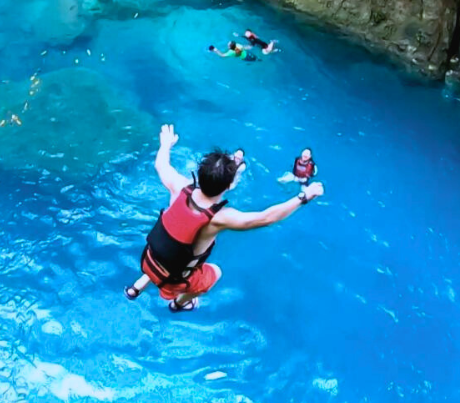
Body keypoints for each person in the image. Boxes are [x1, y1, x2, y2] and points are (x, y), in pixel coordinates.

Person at [126, 125, 324, 312]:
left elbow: (161, 164)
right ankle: (180, 305)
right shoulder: (218, 219)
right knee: (215, 272)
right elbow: (266, 218)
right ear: (229, 187)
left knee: (172, 247)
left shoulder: (178, 186)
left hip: (148, 259)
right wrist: (303, 197)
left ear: (198, 174)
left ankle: (138, 286)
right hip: (175, 279)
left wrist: (165, 144)